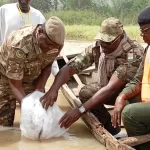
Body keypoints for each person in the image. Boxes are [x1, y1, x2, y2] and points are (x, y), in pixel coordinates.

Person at [40, 17, 144, 135]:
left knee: (131, 110)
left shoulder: (133, 53)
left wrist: (80, 110)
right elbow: (70, 68)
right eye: (102, 40)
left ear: (120, 38)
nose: (104, 45)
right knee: (86, 93)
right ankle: (113, 130)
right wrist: (54, 89)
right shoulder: (98, 48)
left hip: (132, 95)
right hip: (111, 90)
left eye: (108, 42)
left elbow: (111, 88)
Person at [0, 16, 65, 126]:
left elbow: (47, 65)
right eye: (48, 44)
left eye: (54, 46)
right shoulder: (19, 44)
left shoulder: (56, 43)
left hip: (33, 76)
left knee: (38, 121)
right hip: (6, 78)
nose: (51, 48)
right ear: (39, 32)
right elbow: (15, 84)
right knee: (4, 123)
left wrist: (39, 89)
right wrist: (28, 106)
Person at [116, 7, 150, 150]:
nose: (142, 35)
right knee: (125, 101)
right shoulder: (148, 49)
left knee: (130, 113)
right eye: (141, 31)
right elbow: (137, 80)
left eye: (145, 31)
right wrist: (121, 97)